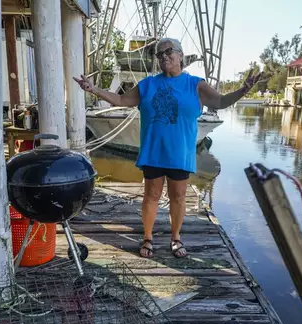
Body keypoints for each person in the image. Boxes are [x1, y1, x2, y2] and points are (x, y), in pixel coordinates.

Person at [74, 37, 261, 259]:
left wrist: (243, 90)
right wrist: (93, 89)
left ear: (180, 55)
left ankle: (175, 237)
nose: (164, 57)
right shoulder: (148, 85)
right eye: (159, 54)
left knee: (179, 197)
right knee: (151, 195)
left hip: (180, 154)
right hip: (154, 151)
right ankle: (147, 237)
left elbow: (220, 102)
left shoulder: (195, 85)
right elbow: (121, 100)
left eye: (168, 51)